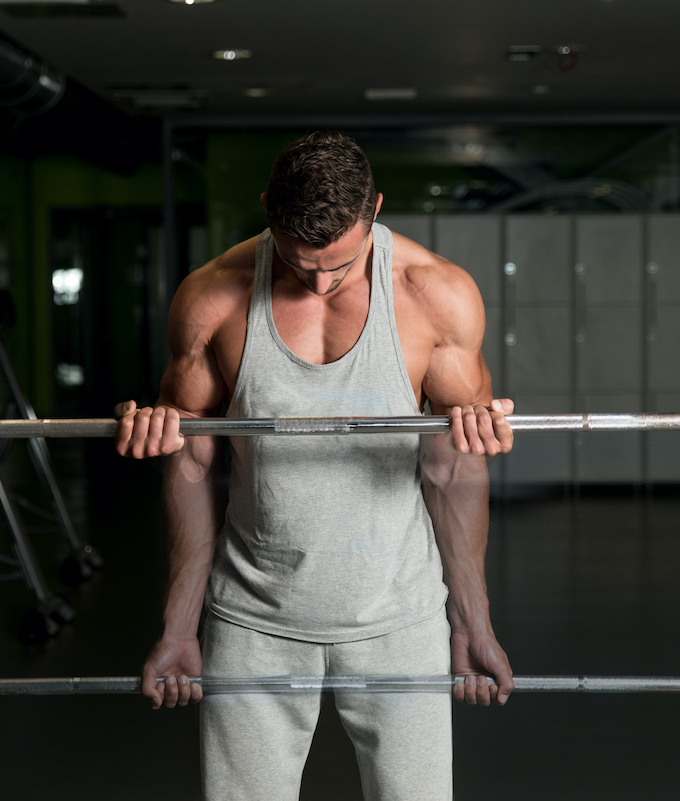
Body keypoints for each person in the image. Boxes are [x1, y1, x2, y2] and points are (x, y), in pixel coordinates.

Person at [114, 131, 514, 801]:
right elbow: (193, 463)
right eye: (301, 265)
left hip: (400, 617)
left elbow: (454, 469)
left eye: (341, 263)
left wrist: (472, 623)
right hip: (252, 618)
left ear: (375, 209)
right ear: (268, 208)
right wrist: (180, 625)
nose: (321, 282)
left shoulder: (434, 296)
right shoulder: (213, 299)